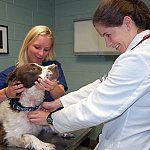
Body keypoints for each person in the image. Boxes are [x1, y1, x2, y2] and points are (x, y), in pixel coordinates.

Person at [28, 0, 150, 149]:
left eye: (108, 34)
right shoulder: (139, 54)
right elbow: (101, 85)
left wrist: (50, 119)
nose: (108, 44)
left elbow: (96, 108)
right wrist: (58, 103)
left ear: (127, 23)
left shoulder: (139, 58)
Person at [0, 25, 68, 102]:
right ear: (27, 45)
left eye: (46, 49)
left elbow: (61, 94)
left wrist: (53, 88)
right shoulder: (12, 73)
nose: (41, 54)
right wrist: (6, 93)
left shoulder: (52, 67)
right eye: (37, 47)